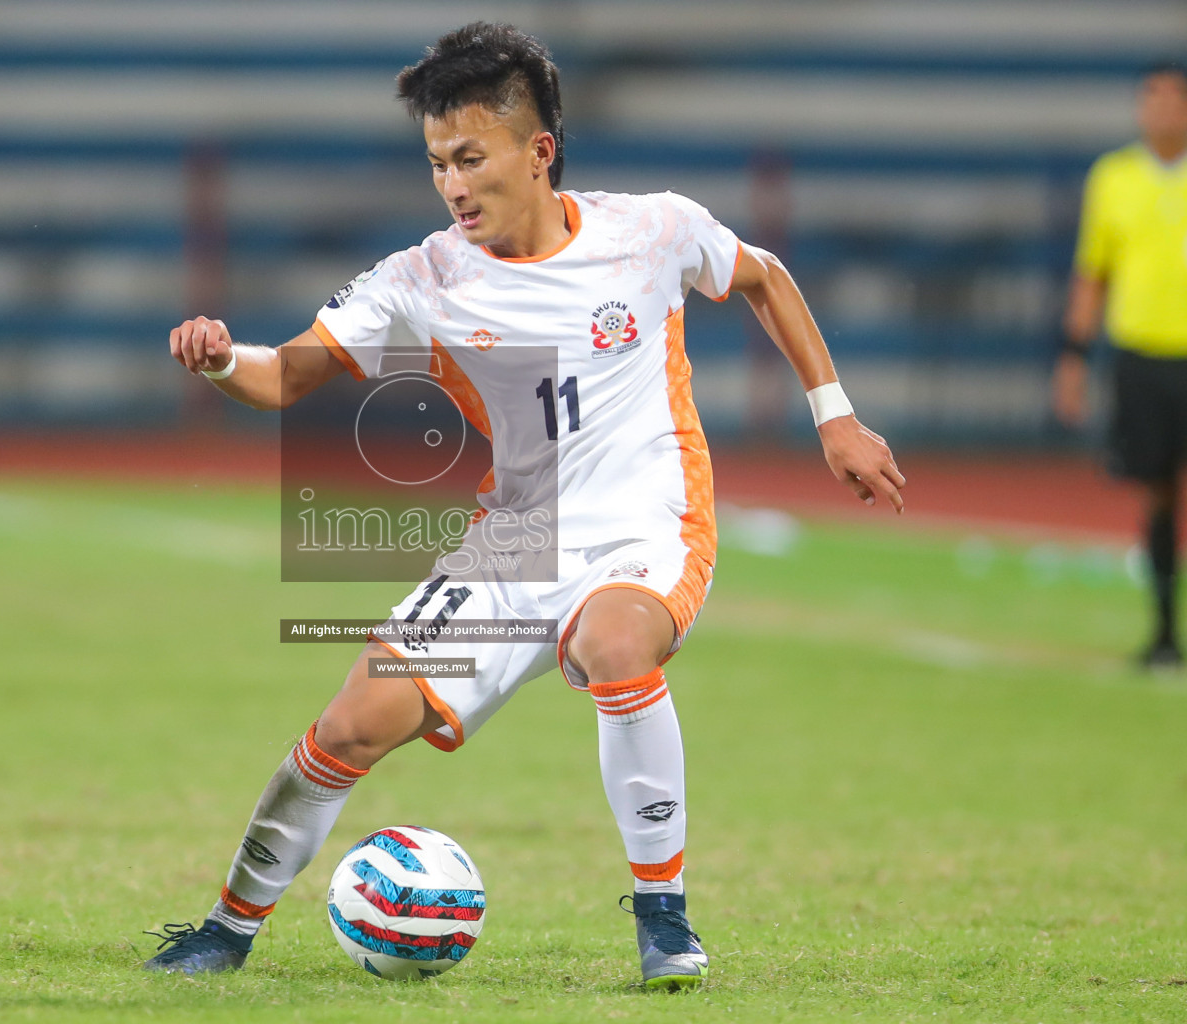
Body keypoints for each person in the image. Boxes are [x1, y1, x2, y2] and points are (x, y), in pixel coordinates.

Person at [152, 22, 905, 988]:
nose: (453, 185)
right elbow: (285, 375)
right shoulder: (421, 278)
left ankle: (664, 920)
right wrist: (223, 361)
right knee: (349, 727)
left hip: (647, 522)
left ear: (538, 150)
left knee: (617, 647)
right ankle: (226, 927)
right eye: (436, 164)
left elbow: (763, 276)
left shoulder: (652, 230)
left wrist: (834, 417)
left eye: (470, 158)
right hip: (515, 542)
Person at [1053, 59, 1187, 670]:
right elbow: (1092, 272)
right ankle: (1164, 632)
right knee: (1157, 491)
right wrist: (1074, 358)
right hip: (1141, 357)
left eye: (1173, 99)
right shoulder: (1114, 177)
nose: (1161, 109)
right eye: (1152, 98)